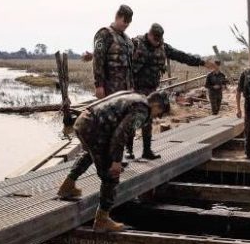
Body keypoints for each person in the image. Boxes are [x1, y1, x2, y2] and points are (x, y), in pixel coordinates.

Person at [57, 91, 171, 232]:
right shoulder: (142, 111)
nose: (157, 117)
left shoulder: (137, 97)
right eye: (159, 113)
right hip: (95, 129)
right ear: (155, 104)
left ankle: (67, 186)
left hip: (83, 122)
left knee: (91, 154)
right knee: (111, 175)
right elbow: (120, 135)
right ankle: (102, 220)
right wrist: (116, 161)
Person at [125, 23, 216, 160]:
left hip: (151, 89)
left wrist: (202, 63)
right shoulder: (135, 44)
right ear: (149, 35)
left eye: (159, 40)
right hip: (135, 87)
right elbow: (119, 54)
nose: (157, 43)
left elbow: (181, 56)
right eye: (155, 40)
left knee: (148, 118)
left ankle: (147, 150)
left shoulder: (163, 46)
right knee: (134, 117)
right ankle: (129, 150)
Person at [92, 5, 134, 99]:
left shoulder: (127, 40)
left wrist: (131, 86)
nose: (126, 24)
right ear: (117, 17)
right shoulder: (104, 34)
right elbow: (98, 61)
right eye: (124, 21)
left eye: (129, 22)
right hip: (110, 90)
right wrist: (99, 86)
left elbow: (130, 66)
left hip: (126, 91)